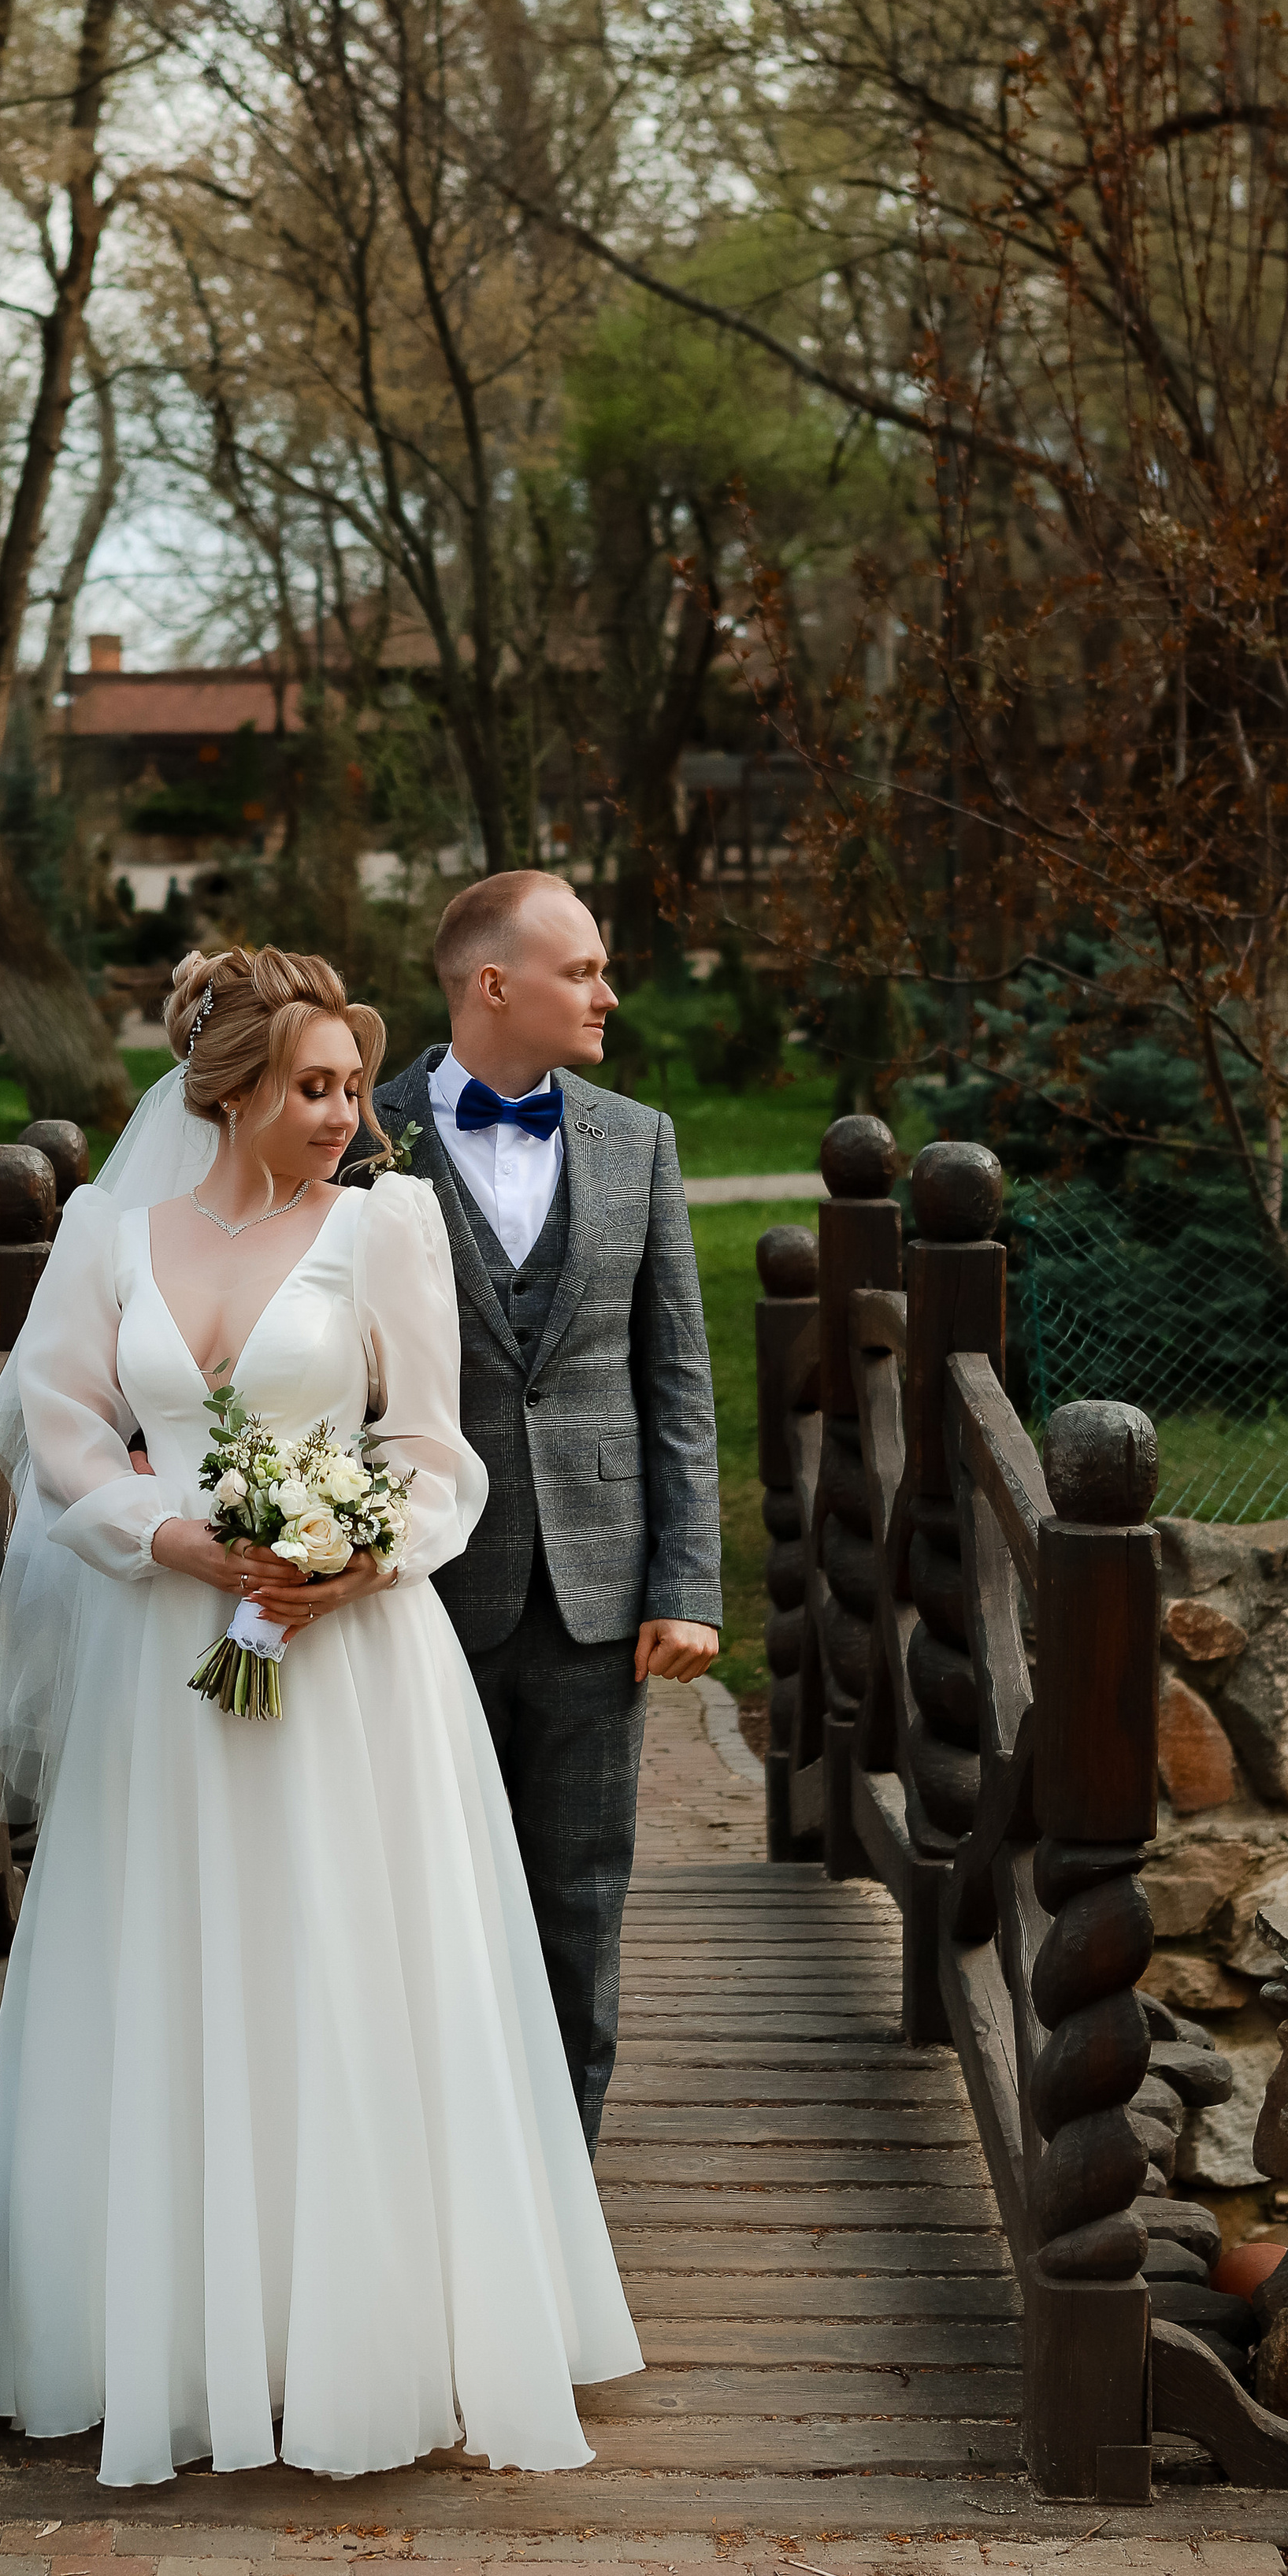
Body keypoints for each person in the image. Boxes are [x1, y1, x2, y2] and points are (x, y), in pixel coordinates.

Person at [0, 944, 642, 2489]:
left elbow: (429, 1449)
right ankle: (178, 2338)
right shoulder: (102, 1238)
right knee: (178, 1970)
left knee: (346, 1968)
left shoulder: (383, 1230)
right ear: (229, 1091)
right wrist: (172, 1538)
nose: (346, 1112)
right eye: (314, 1087)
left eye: (354, 1085)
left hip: (346, 1668)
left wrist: (350, 1558)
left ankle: (370, 2335)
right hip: (167, 1666)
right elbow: (67, 1438)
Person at [358, 872, 722, 2149]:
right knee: (420, 1896)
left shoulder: (639, 1141)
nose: (608, 993)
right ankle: (435, 2175)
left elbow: (675, 1378)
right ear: (493, 985)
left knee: (581, 1895)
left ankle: (567, 2179)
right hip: (411, 1593)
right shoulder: (360, 1136)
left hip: (598, 1590)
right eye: (583, 971)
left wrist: (687, 1584)